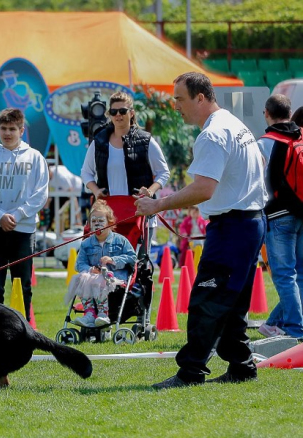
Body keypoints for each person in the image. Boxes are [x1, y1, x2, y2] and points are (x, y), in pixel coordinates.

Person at [135, 72, 267, 388]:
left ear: (200, 97)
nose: (175, 105)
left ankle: (191, 371)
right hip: (249, 223)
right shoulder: (233, 124)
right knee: (233, 303)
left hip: (233, 228)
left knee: (206, 301)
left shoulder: (212, 134)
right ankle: (242, 367)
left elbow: (204, 188)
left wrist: (157, 205)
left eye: (180, 98)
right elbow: (257, 162)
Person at [0, 108, 48, 321]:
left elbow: (41, 193)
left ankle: (22, 330)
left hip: (24, 231)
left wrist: (17, 215)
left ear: (21, 130)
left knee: (23, 286)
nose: (7, 133)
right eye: (3, 128)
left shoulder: (35, 157)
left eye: (12, 129)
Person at [81, 91, 170, 242]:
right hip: (108, 215)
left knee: (137, 263)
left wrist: (150, 191)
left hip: (140, 213)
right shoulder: (99, 141)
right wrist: (96, 191)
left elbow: (163, 172)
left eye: (123, 111)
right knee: (106, 261)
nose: (118, 115)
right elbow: (86, 173)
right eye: (114, 112)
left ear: (132, 113)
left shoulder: (145, 140)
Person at [256, 94, 303, 339]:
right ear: (289, 111)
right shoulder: (301, 137)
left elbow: (256, 182)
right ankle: (275, 321)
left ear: (267, 113)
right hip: (301, 212)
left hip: (278, 214)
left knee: (284, 275)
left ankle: (294, 328)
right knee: (300, 275)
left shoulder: (265, 142)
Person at [67, 199, 136, 327]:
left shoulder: (121, 241)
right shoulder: (86, 243)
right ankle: (90, 314)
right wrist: (90, 269)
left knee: (100, 280)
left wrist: (113, 260)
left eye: (100, 221)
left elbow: (132, 257)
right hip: (93, 279)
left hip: (115, 279)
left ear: (109, 223)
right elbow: (79, 264)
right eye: (94, 221)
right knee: (81, 278)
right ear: (90, 225)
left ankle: (103, 314)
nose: (97, 224)